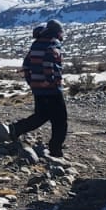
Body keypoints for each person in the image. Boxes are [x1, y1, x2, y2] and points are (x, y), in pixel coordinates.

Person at [10, 19, 67, 159]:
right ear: (56, 32)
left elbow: (26, 65)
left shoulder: (35, 45)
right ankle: (55, 149)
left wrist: (32, 82)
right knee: (60, 120)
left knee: (42, 115)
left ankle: (17, 129)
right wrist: (49, 81)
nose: (62, 34)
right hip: (52, 89)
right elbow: (49, 63)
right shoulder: (53, 44)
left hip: (38, 89)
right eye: (61, 32)